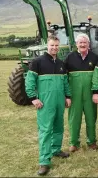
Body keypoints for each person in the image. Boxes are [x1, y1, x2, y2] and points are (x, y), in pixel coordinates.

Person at [25, 35, 72, 176]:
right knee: (46, 131)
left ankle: (56, 150)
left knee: (58, 127)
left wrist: (68, 96)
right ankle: (44, 162)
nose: (54, 48)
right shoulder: (37, 62)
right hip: (45, 103)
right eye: (52, 45)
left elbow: (65, 83)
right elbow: (29, 82)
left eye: (57, 46)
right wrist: (33, 98)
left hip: (59, 102)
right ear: (47, 45)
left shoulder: (61, 64)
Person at [64, 33, 98, 152]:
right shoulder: (69, 58)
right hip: (75, 95)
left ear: (88, 44)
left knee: (91, 118)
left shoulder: (95, 58)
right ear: (76, 44)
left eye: (85, 42)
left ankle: (92, 141)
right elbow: (64, 77)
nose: (83, 44)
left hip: (90, 95)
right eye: (80, 42)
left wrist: (96, 92)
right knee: (74, 119)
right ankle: (74, 143)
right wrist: (67, 95)